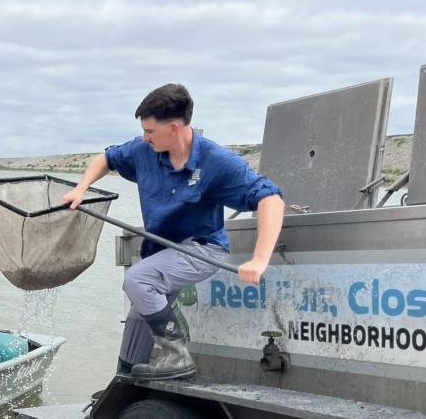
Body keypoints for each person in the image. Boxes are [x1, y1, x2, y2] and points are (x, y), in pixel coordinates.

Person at [64, 83, 284, 379]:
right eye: (143, 131)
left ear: (175, 128)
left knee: (137, 279)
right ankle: (120, 390)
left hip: (202, 249)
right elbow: (106, 158)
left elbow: (271, 198)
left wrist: (259, 259)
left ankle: (177, 357)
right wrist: (81, 188)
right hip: (162, 252)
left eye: (151, 132)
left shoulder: (216, 162)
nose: (145, 137)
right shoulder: (144, 150)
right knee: (137, 317)